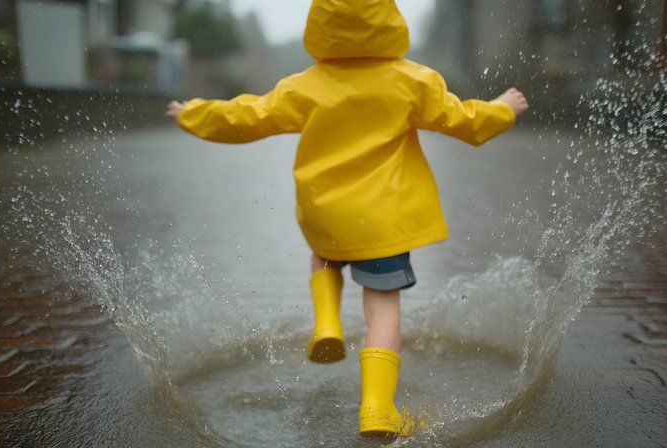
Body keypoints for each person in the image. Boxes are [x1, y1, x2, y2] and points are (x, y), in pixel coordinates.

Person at [165, 0, 528, 438]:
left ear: (322, 26)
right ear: (388, 21)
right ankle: (377, 410)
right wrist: (503, 107)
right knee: (383, 311)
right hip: (382, 221)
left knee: (323, 254)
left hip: (326, 214)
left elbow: (248, 116)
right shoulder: (412, 80)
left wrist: (194, 114)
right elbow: (464, 121)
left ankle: (327, 323)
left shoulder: (305, 85)